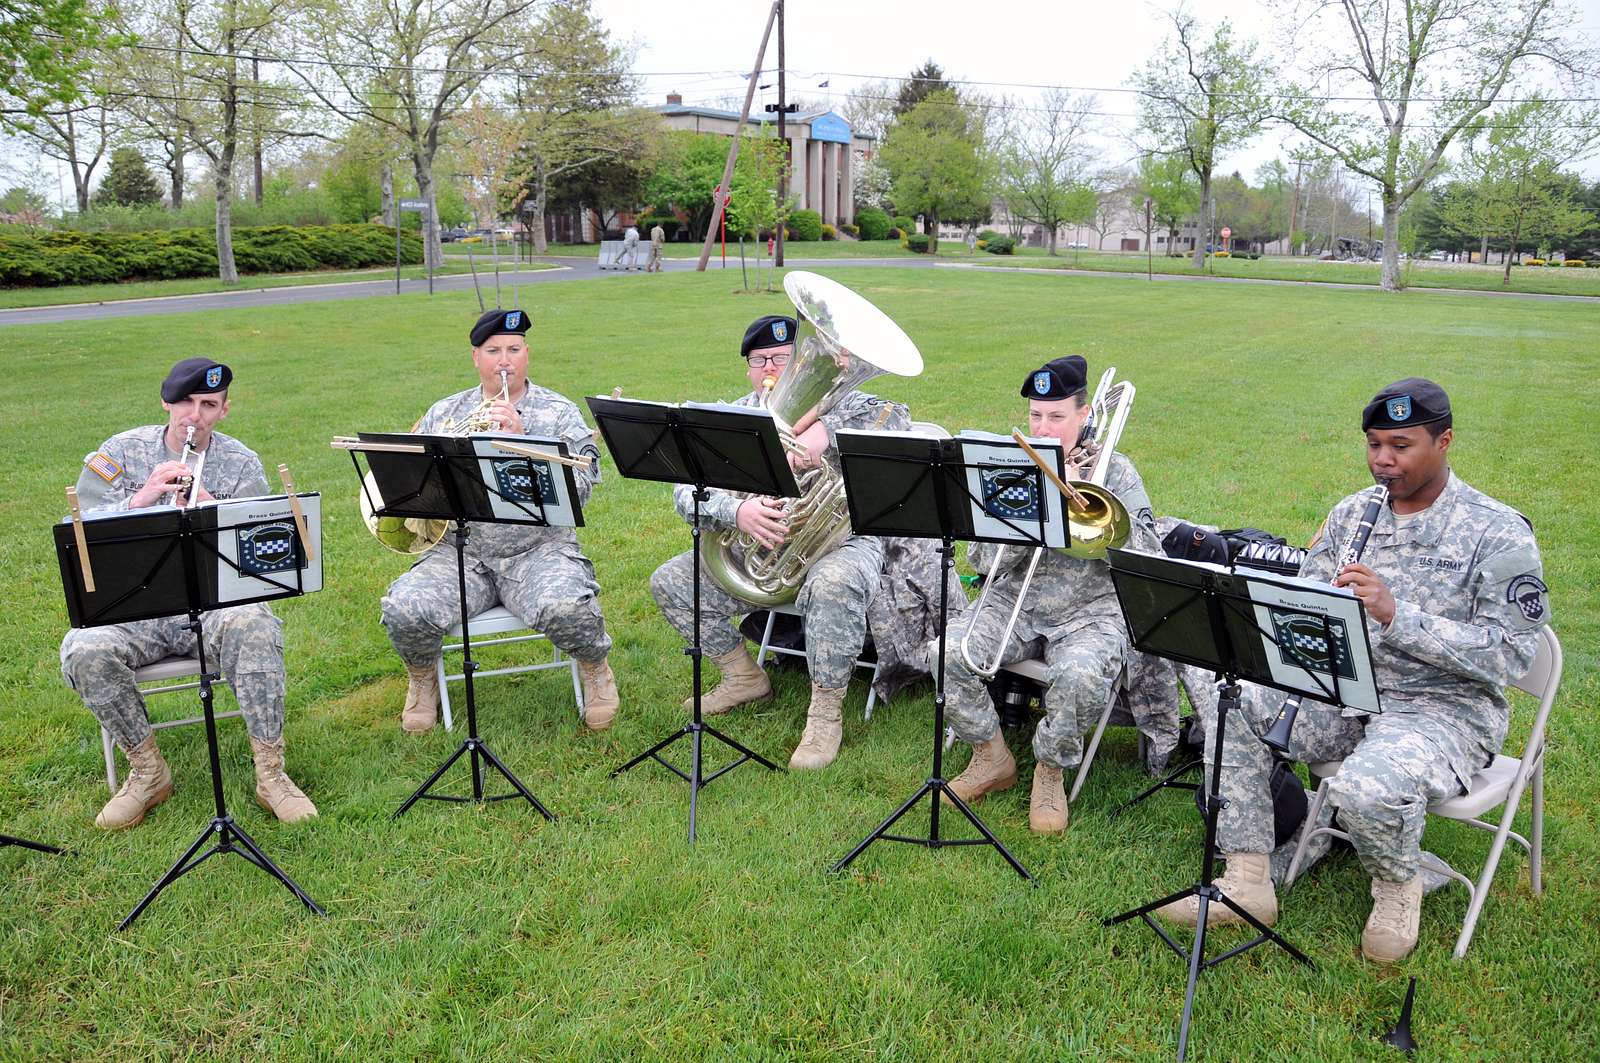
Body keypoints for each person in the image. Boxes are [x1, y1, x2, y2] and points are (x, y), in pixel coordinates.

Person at [1156, 378, 1548, 965]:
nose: (1383, 461)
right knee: (1229, 702)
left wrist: (1398, 616)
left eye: (1400, 445)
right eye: (1373, 445)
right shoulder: (1352, 513)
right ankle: (1248, 878)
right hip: (1342, 688)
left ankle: (1397, 885)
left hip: (1443, 709)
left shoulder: (1498, 531)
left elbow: (1514, 651)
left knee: (1368, 788)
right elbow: (1305, 603)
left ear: (1444, 441)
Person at [60, 358, 317, 830]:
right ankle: (147, 772)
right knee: (83, 648)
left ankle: (271, 775)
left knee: (255, 624)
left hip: (215, 603)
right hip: (137, 608)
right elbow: (80, 530)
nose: (194, 416)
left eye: (208, 405)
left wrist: (214, 513)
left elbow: (263, 554)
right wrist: (141, 500)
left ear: (224, 411)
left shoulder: (240, 462)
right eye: (185, 403)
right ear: (166, 403)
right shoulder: (121, 451)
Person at [648, 314, 912, 770]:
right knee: (671, 582)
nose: (769, 367)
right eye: (758, 359)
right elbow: (682, 492)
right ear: (747, 368)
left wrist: (827, 434)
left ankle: (826, 714)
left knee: (835, 585)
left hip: (844, 543)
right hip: (764, 550)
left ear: (802, 364)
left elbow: (900, 421)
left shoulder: (845, 402)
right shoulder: (731, 417)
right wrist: (738, 512)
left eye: (782, 358)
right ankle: (742, 675)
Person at [942, 356, 1159, 833]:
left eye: (1056, 417)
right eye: (1035, 415)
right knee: (947, 652)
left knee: (1080, 677)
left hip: (1091, 611)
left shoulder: (1117, 471)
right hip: (1017, 599)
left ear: (1083, 416)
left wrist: (1106, 528)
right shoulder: (1013, 468)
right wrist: (1025, 519)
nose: (1042, 428)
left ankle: (1050, 770)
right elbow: (980, 563)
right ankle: (990, 755)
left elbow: (1150, 558)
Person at [381, 307, 621, 734]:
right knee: (405, 609)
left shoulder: (559, 412)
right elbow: (415, 488)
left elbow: (582, 490)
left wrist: (523, 441)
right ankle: (422, 678)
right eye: (493, 350)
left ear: (527, 353)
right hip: (461, 551)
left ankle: (594, 666)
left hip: (537, 549)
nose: (504, 360)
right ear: (476, 357)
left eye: (513, 349)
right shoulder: (446, 411)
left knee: (567, 606)